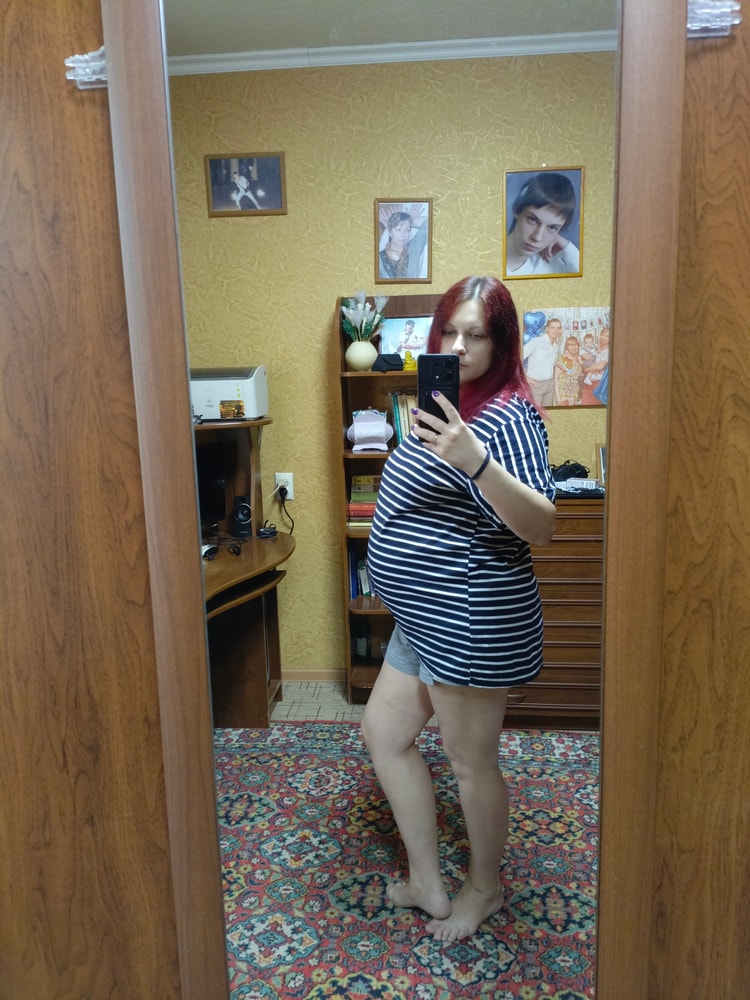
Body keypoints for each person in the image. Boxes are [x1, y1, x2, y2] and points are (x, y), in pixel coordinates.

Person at [362, 276, 556, 943]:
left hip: (469, 620)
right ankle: (427, 881)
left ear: (502, 343)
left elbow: (542, 525)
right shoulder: (448, 404)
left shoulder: (508, 415)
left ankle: (485, 888)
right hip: (424, 621)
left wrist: (476, 462)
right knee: (384, 736)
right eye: (448, 330)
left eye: (476, 334)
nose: (458, 346)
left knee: (470, 764)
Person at [505, 172, 580, 276]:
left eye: (552, 228)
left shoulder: (552, 267)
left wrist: (567, 248)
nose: (537, 237)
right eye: (532, 220)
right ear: (517, 210)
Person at [378, 205, 429, 280]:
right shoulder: (378, 258)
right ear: (390, 232)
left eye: (407, 230)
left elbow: (430, 221)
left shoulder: (414, 247)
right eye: (399, 230)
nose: (403, 235)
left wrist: (410, 222)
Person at [523, 316, 562, 407]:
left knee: (548, 412)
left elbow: (554, 365)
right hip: (536, 384)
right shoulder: (536, 341)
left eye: (558, 328)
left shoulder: (556, 346)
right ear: (547, 329)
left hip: (550, 385)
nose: (555, 330)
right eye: (552, 327)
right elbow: (517, 357)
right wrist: (524, 376)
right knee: (534, 412)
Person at [581, 326, 609, 405]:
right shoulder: (594, 347)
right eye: (603, 335)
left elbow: (600, 367)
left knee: (594, 408)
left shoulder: (608, 351)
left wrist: (586, 370)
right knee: (585, 406)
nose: (604, 338)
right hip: (588, 383)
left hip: (598, 384)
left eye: (607, 336)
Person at [554, 335, 584, 405]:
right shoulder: (562, 359)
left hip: (575, 396)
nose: (574, 347)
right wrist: (558, 397)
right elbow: (556, 378)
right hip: (562, 396)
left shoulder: (580, 359)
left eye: (576, 344)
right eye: (571, 345)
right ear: (566, 347)